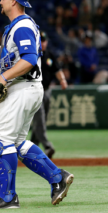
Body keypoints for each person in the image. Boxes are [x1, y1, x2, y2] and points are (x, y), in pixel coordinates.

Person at [0, 0, 74, 209]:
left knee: (1, 141)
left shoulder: (22, 26)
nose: (0, 1)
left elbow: (29, 59)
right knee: (18, 143)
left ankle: (7, 197)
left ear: (13, 1)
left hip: (21, 88)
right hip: (29, 88)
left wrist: (2, 79)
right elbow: (7, 56)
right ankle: (57, 177)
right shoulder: (19, 26)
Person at [30, 31, 68, 159]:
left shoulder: (49, 56)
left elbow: (56, 69)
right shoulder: (32, 55)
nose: (43, 43)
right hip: (35, 91)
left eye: (44, 40)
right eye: (40, 40)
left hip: (46, 91)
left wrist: (62, 80)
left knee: (42, 120)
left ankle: (31, 147)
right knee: (40, 119)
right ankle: (47, 146)